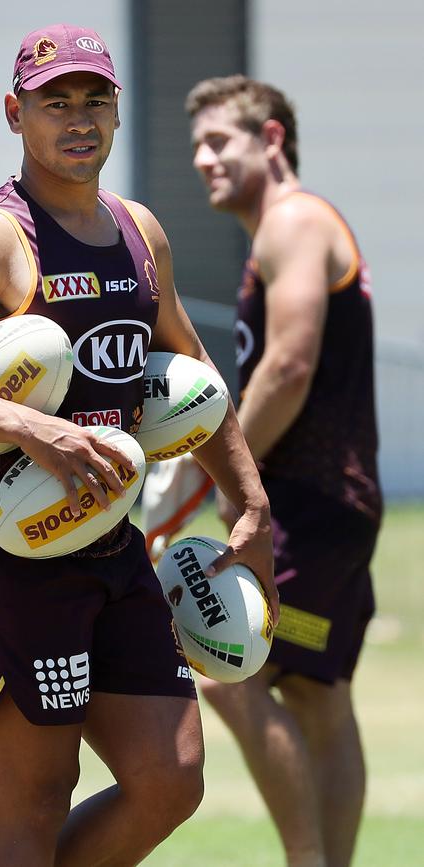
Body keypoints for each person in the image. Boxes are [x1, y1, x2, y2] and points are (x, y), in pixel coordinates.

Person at [0, 26, 278, 867]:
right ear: (16, 114)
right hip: (1, 551)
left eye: (95, 100)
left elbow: (191, 371)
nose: (78, 119)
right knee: (32, 799)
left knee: (172, 776)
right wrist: (29, 425)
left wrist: (250, 497)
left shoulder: (139, 232)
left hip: (111, 544)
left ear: (119, 113)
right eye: (56, 102)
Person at [183, 75, 382, 867]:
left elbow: (289, 365)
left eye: (219, 141)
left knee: (227, 671)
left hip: (308, 501)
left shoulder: (293, 220)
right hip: (334, 506)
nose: (202, 159)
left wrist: (212, 470)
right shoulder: (290, 226)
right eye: (196, 144)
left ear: (271, 139)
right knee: (316, 692)